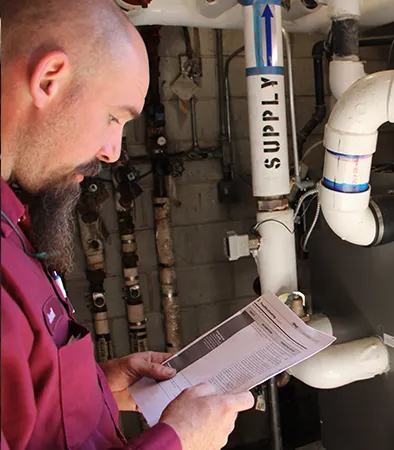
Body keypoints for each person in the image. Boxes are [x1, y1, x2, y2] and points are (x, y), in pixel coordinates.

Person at [0, 0, 255, 448]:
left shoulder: (12, 220)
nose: (112, 151)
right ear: (48, 79)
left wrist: (94, 387)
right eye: (113, 117)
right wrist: (179, 441)